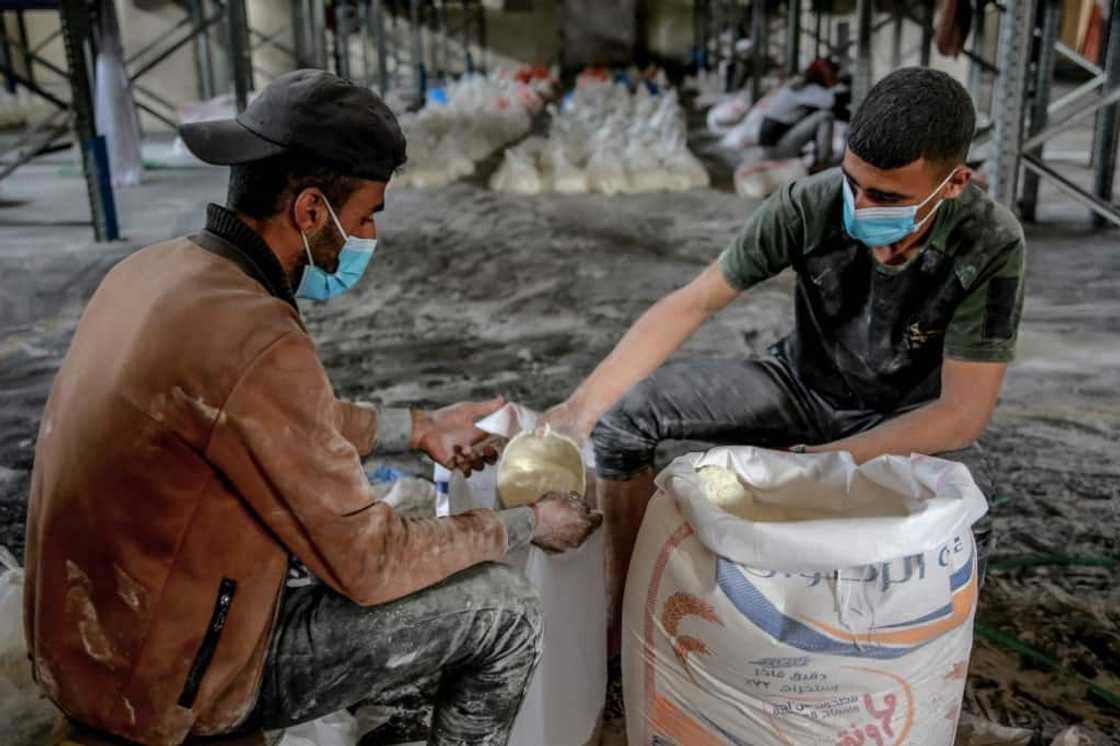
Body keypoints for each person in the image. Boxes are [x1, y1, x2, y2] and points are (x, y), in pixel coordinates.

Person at [24, 70, 601, 746]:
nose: (369, 235)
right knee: (500, 607)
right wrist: (523, 524)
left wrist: (417, 429)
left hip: (93, 643)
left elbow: (269, 419)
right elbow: (369, 563)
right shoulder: (256, 335)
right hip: (167, 683)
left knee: (400, 525)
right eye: (364, 216)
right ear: (308, 213)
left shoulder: (158, 272)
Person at [546, 67, 1023, 651]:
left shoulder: (989, 243)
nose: (861, 206)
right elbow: (691, 304)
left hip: (906, 422)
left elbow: (961, 413)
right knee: (622, 420)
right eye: (854, 184)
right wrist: (579, 408)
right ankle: (626, 615)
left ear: (953, 184)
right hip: (801, 385)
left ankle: (927, 664)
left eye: (887, 197)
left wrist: (818, 464)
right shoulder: (810, 205)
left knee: (969, 514)